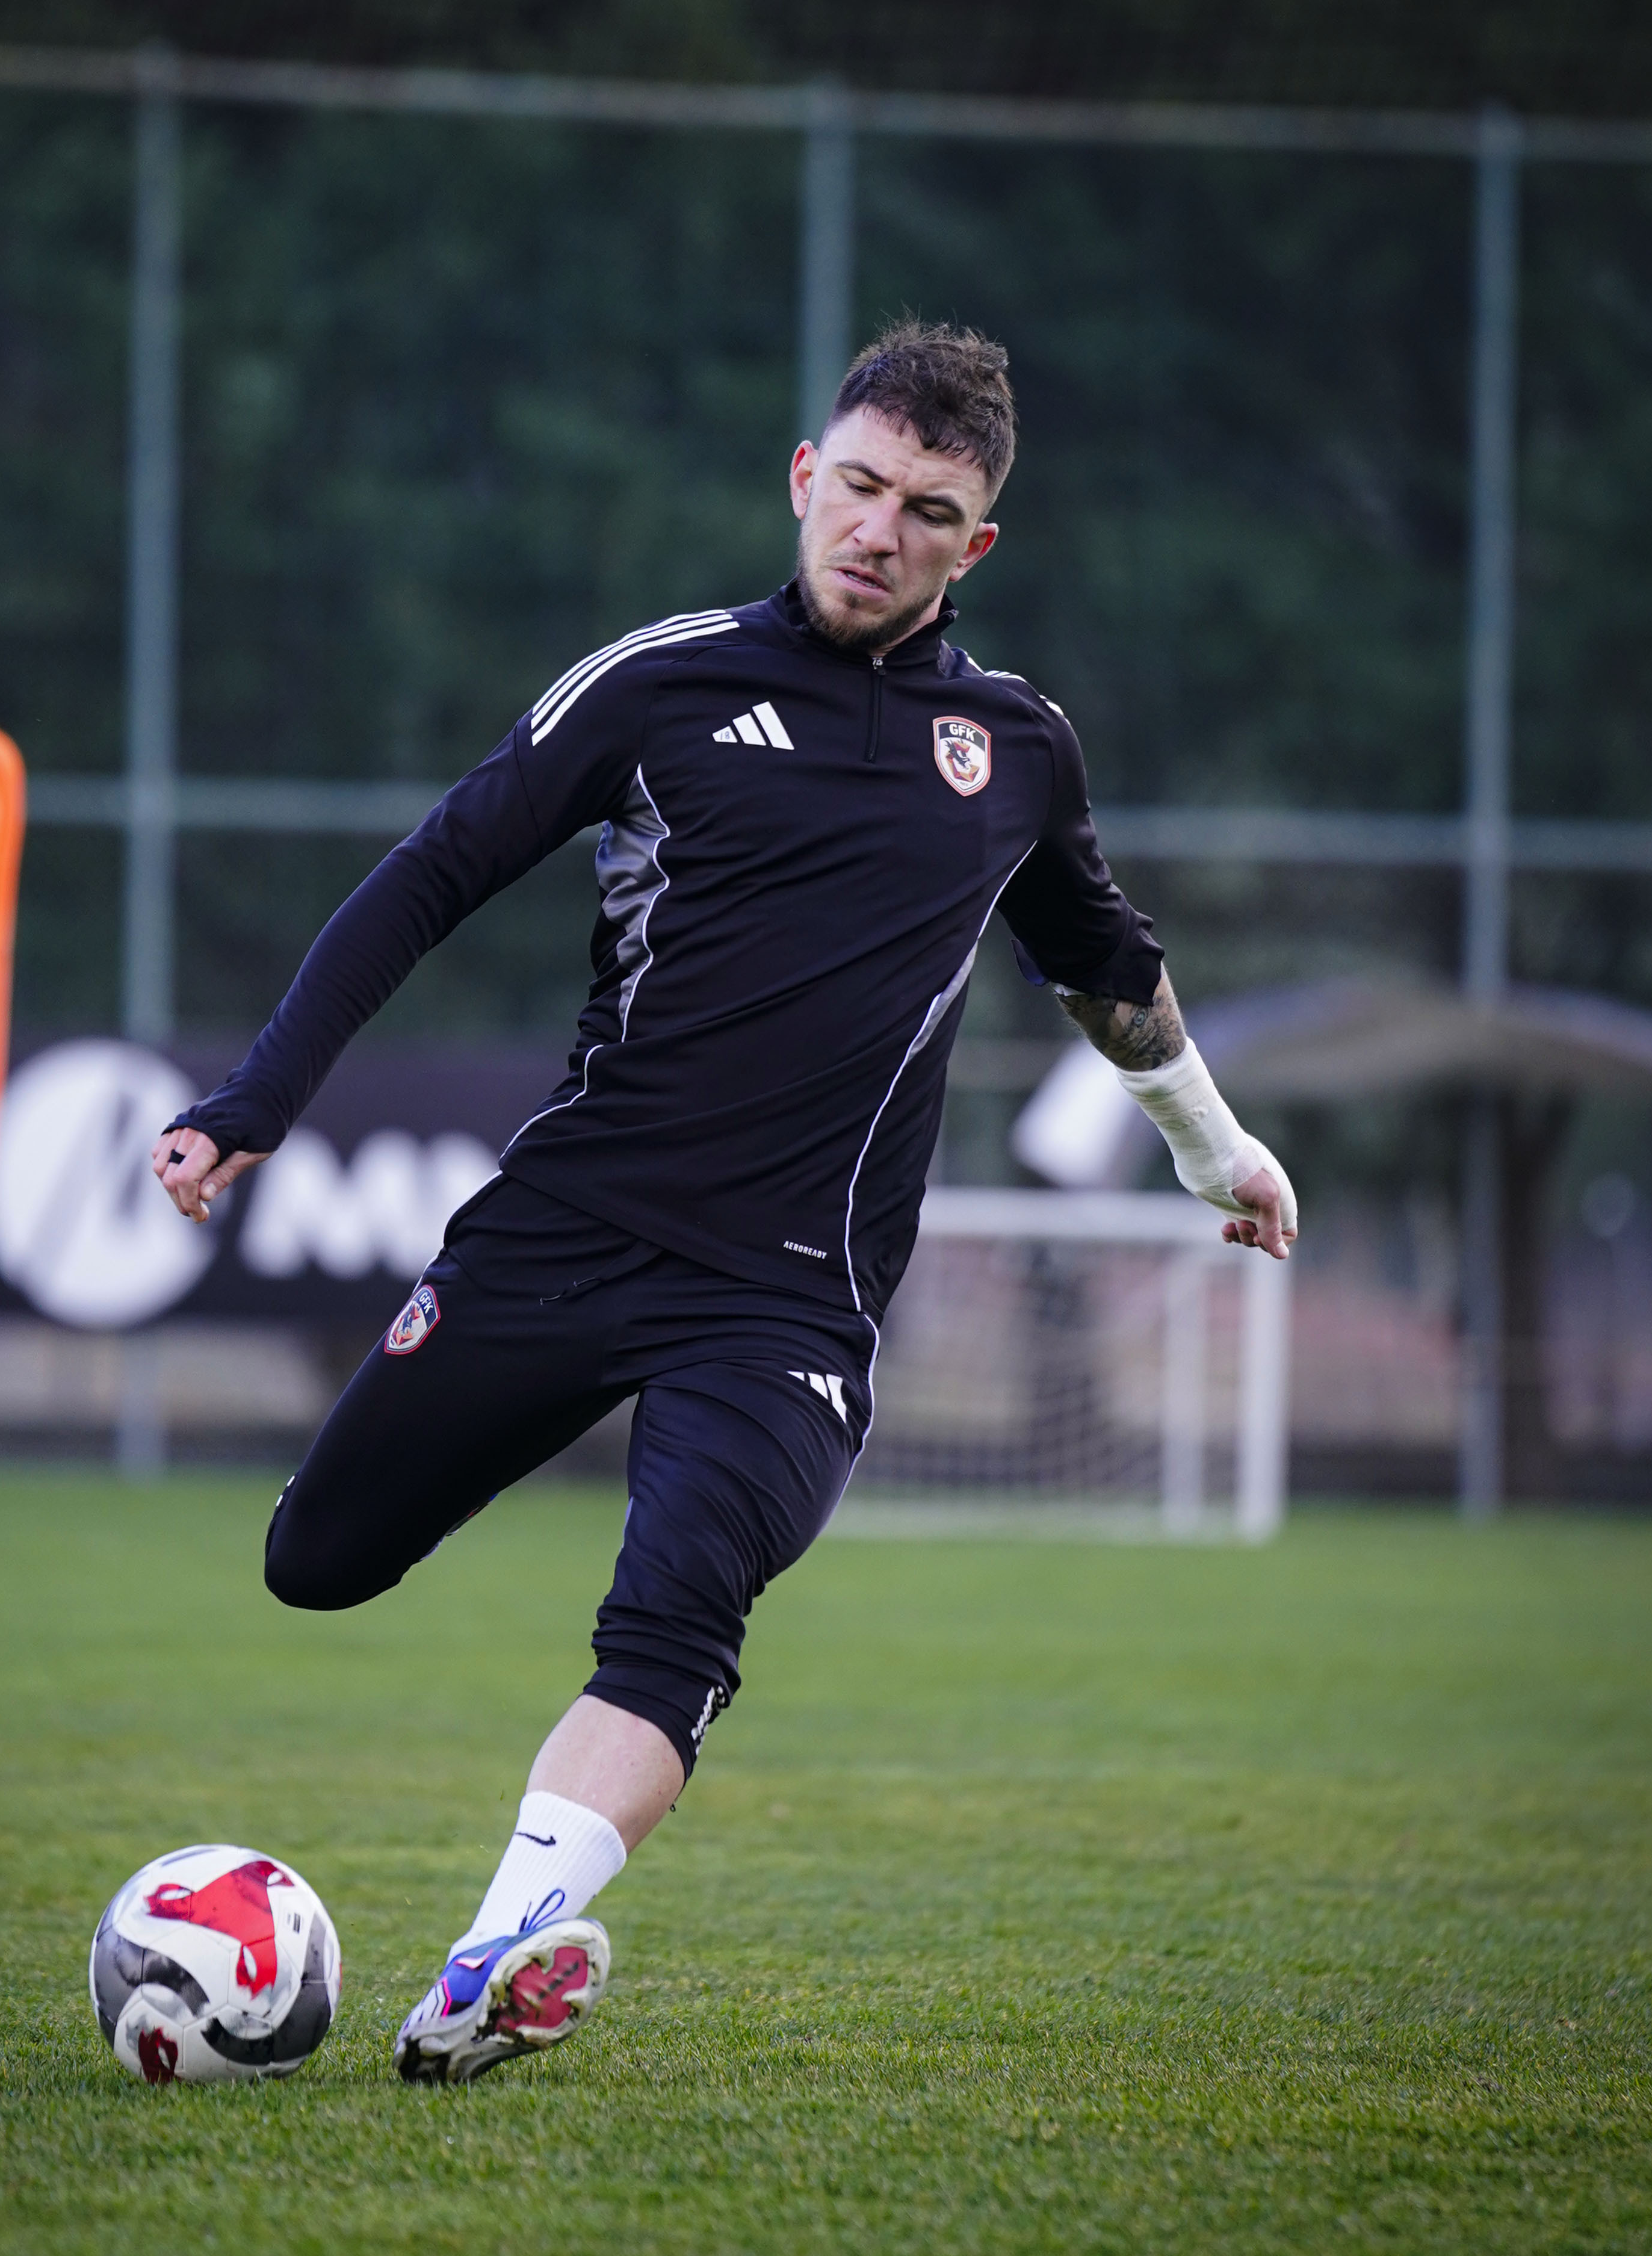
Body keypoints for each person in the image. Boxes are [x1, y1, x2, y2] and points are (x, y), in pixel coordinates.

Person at [153, 320, 1298, 2086]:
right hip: (568, 1233)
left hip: (788, 1303)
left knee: (677, 1626)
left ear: (976, 545)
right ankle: (494, 1945)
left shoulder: (1015, 750)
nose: (880, 533)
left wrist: (1214, 1150)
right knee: (317, 1562)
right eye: (861, 488)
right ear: (804, 478)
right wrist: (256, 1101)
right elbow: (433, 874)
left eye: (928, 513)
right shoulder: (660, 686)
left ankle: (486, 1970)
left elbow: (1108, 969)